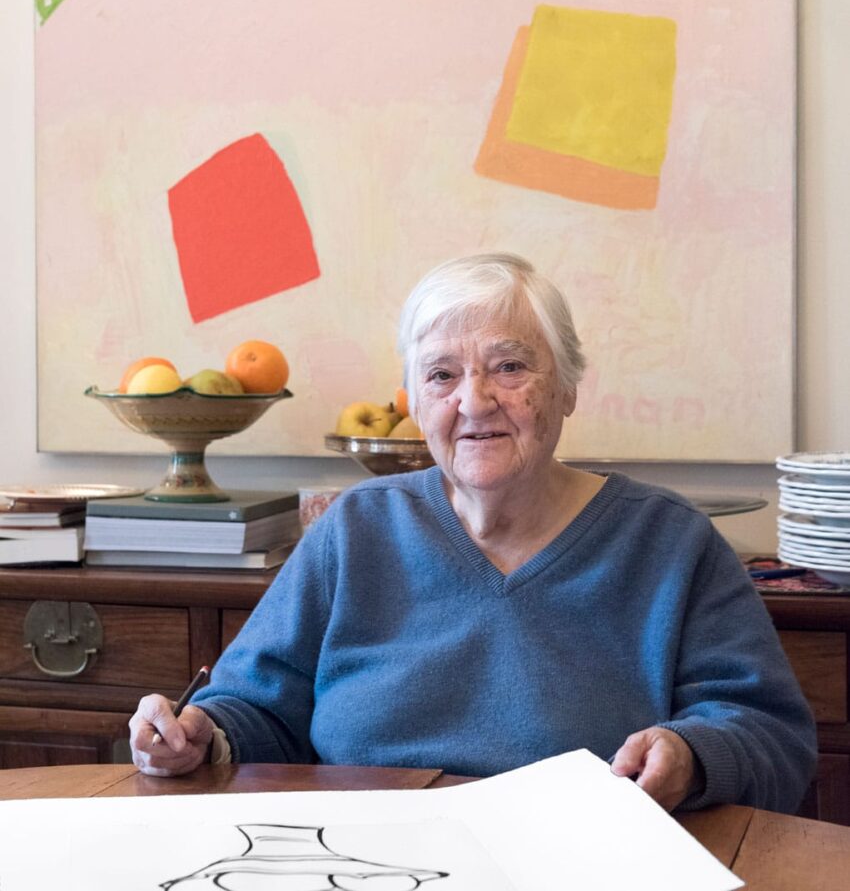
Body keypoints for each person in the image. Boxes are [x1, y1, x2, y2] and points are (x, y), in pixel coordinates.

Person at [129, 252, 817, 812]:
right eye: (442, 374)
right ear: (416, 401)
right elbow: (255, 707)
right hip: (366, 860)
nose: (475, 400)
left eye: (510, 366)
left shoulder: (670, 543)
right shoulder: (358, 528)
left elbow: (772, 738)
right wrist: (199, 733)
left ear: (568, 386)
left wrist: (693, 756)